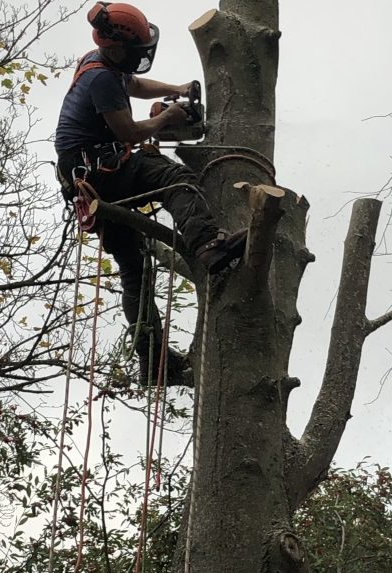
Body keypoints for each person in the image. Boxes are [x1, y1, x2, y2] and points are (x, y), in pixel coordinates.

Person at [55, 2, 247, 386]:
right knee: (176, 179)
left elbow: (136, 85)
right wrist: (165, 119)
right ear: (117, 47)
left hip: (87, 177)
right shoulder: (101, 80)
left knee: (134, 268)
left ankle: (155, 362)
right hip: (100, 171)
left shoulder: (100, 63)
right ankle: (208, 244)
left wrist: (177, 89)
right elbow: (127, 132)